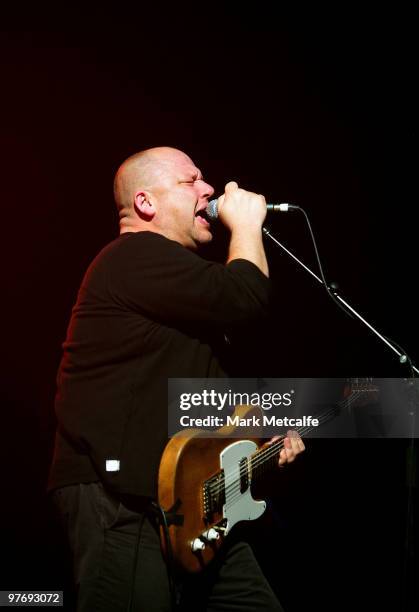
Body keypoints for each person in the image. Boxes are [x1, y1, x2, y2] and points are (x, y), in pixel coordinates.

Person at [48, 146, 305, 611]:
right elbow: (244, 297)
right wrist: (246, 226)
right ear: (146, 203)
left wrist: (265, 444)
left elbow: (201, 399)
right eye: (192, 181)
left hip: (195, 506)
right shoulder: (130, 257)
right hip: (123, 504)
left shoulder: (177, 290)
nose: (209, 190)